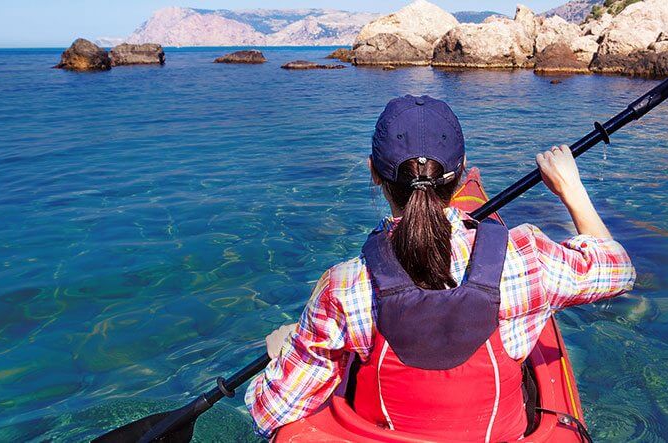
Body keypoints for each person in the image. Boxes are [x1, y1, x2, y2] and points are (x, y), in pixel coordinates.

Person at [245, 95, 634, 442]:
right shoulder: (527, 257)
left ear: (374, 174)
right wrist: (571, 189)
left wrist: (283, 354)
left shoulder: (344, 285)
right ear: (463, 172)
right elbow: (618, 271)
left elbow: (270, 413)